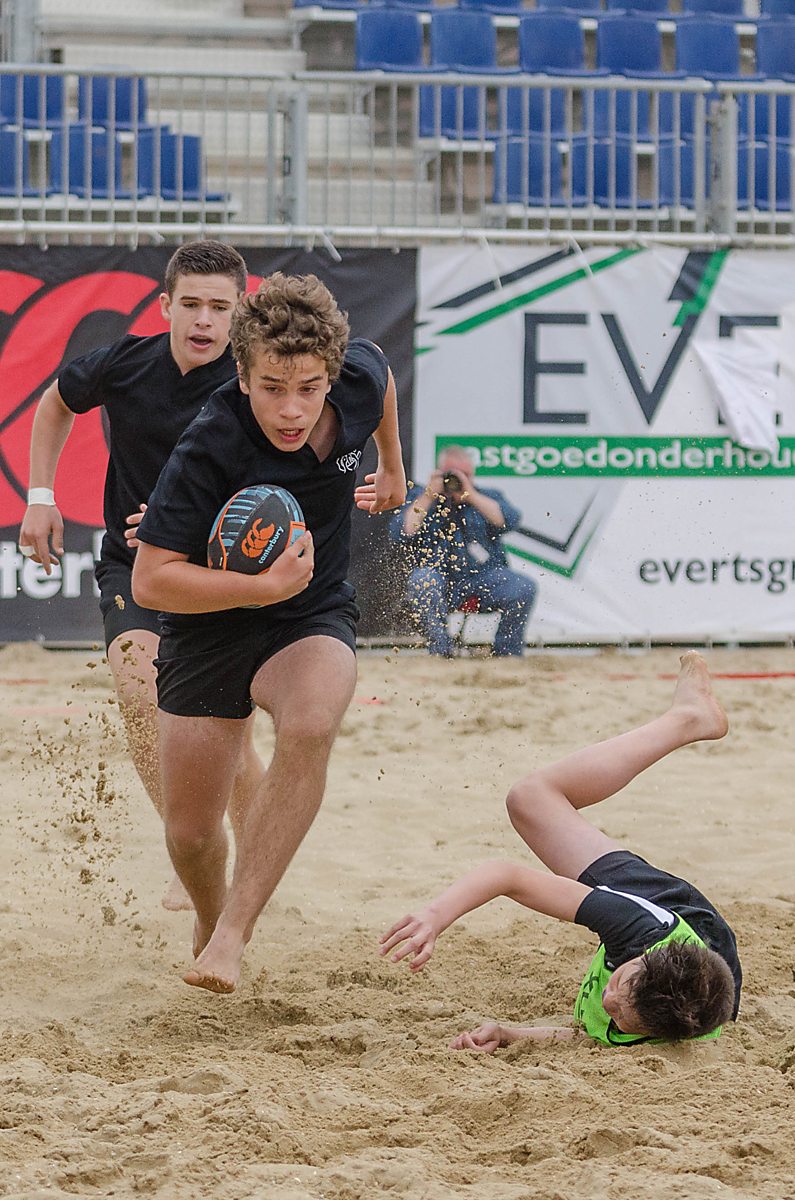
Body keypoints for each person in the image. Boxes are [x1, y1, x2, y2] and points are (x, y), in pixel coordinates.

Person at [131, 271, 406, 995]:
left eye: (308, 388)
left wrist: (394, 466)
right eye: (272, 388)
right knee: (192, 835)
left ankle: (232, 933)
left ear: (331, 375)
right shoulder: (211, 442)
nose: (291, 408)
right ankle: (209, 917)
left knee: (311, 724)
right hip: (207, 630)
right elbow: (151, 580)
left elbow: (380, 376)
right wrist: (258, 587)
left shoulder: (354, 378)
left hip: (308, 613)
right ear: (243, 375)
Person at [17, 239, 265, 912]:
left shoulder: (255, 385)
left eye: (220, 307)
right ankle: (194, 848)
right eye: (192, 304)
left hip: (217, 575)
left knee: (227, 740)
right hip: (133, 569)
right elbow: (55, 403)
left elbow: (277, 484)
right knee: (137, 696)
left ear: (240, 312)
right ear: (165, 306)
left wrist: (189, 520)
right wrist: (40, 497)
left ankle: (254, 872)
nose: (204, 319)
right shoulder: (125, 364)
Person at [380, 652, 741, 1048]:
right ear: (640, 955)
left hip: (687, 982)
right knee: (530, 798)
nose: (608, 1000)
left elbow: (591, 1039)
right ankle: (689, 719)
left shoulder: (668, 1022)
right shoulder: (634, 925)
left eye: (622, 1015)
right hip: (668, 910)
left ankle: (691, 717)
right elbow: (507, 876)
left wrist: (509, 1035)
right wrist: (434, 916)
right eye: (621, 982)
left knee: (530, 800)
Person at [389, 445, 535, 657]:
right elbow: (402, 531)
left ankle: (506, 654)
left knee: (523, 587)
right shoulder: (423, 498)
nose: (457, 480)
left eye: (464, 474)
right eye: (452, 474)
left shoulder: (486, 496)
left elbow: (509, 520)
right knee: (422, 580)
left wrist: (470, 495)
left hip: (482, 579)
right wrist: (429, 495)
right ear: (439, 473)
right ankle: (441, 652)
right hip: (440, 580)